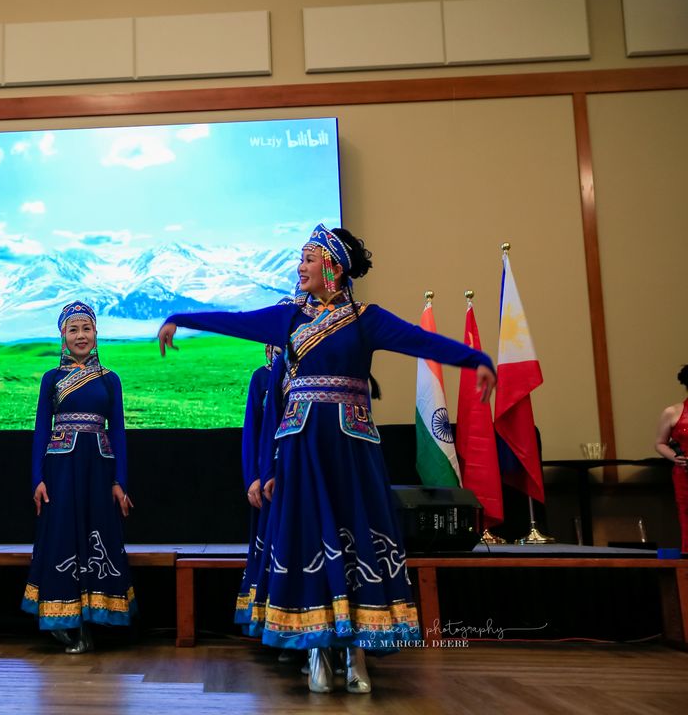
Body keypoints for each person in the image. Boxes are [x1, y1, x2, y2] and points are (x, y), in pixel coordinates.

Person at [158, 225, 495, 694]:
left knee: (357, 533)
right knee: (308, 535)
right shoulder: (286, 317)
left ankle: (356, 649)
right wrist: (179, 317)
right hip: (301, 445)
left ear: (333, 266)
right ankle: (316, 645)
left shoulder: (365, 319)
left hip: (352, 445)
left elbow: (420, 341)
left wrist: (475, 358)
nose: (300, 266)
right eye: (301, 259)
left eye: (309, 258)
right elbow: (235, 320)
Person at [23, 301, 134, 654]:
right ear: (63, 336)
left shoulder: (109, 379)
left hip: (98, 470)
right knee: (62, 538)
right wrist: (37, 478)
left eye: (86, 329)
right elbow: (42, 430)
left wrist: (120, 481)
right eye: (74, 330)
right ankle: (63, 621)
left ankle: (91, 619)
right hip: (61, 470)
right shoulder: (51, 379)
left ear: (96, 333)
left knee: (96, 535)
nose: (81, 336)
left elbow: (118, 432)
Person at [235, 346, 278, 633]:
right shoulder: (261, 378)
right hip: (269, 480)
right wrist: (253, 476)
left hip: (305, 473)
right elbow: (252, 430)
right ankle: (274, 627)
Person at [655, 364, 688, 553]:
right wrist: (676, 458)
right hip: (684, 474)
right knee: (686, 517)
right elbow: (660, 443)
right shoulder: (673, 412)